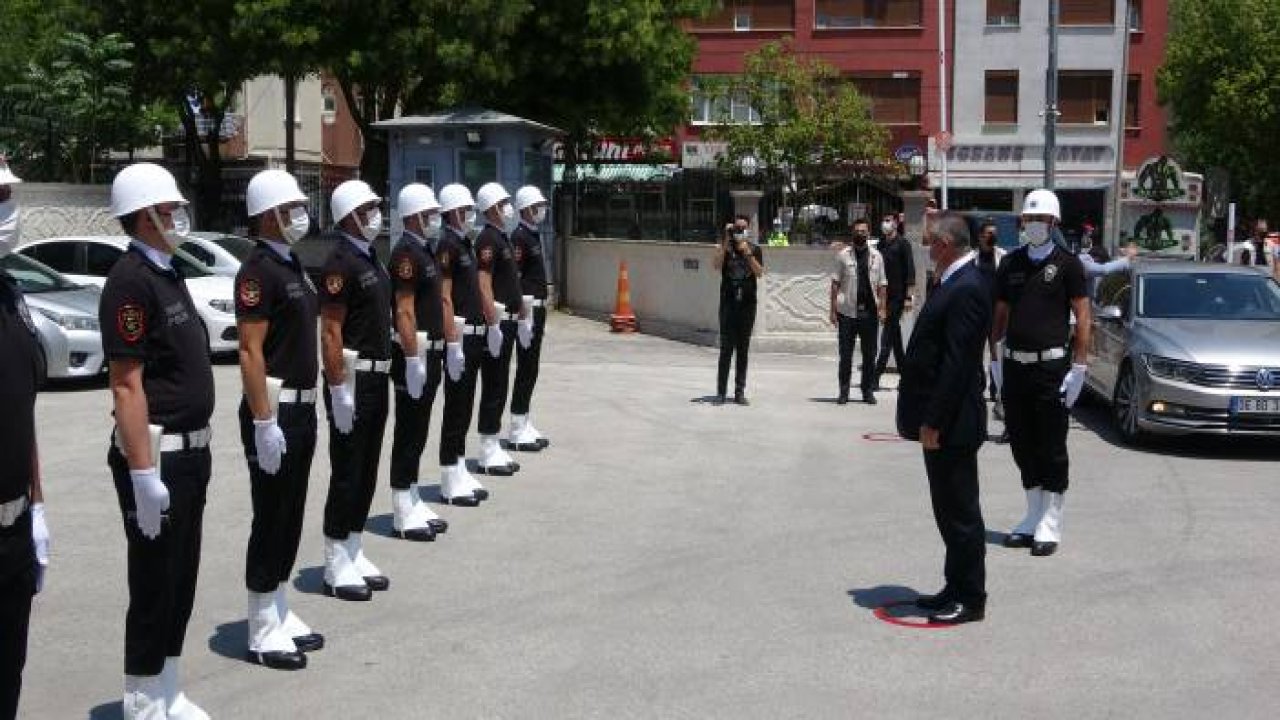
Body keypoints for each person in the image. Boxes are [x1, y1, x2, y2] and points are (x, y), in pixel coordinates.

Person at [99, 163, 214, 718]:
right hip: (158, 457)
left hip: (191, 454)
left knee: (180, 577)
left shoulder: (166, 272)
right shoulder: (129, 281)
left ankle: (168, 685)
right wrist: (143, 476)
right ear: (146, 217)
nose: (178, 217)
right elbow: (127, 384)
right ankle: (142, 700)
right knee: (152, 581)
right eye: (170, 210)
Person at [234, 169, 324, 670]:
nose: (299, 214)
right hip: (276, 408)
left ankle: (279, 606)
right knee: (270, 515)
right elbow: (250, 351)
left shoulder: (291, 265)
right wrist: (263, 421)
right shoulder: (257, 271)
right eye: (291, 207)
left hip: (302, 407)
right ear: (269, 214)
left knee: (290, 513)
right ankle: (260, 623)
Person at [897, 211, 992, 626]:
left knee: (961, 514)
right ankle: (954, 585)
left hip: (952, 423)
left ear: (947, 244)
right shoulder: (950, 281)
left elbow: (958, 364)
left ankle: (971, 598)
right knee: (946, 511)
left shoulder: (967, 287)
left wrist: (933, 421)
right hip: (941, 421)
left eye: (930, 239)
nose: (926, 246)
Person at [990, 189, 1090, 558]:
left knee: (1051, 445)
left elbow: (1083, 317)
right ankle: (1031, 515)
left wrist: (1079, 366)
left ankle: (1051, 519)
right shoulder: (1011, 264)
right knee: (1021, 443)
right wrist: (994, 362)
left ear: (1053, 223)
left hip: (1051, 368)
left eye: (1041, 220)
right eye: (1029, 219)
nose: (1034, 225)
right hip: (1015, 365)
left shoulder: (1068, 265)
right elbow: (998, 317)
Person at [318, 180, 391, 601]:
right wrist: (338, 388)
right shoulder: (339, 263)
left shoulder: (369, 257)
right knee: (347, 469)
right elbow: (330, 331)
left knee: (366, 467)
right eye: (369, 209)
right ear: (349, 214)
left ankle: (353, 545)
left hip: (377, 376)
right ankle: (333, 559)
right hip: (354, 377)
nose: (376, 215)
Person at [0, 158, 49, 720]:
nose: (10, 211)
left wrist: (37, 506)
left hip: (13, 529)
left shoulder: (10, 295)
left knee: (8, 672)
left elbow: (22, 409)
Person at [386, 183, 451, 541]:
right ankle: (400, 506)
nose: (435, 220)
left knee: (421, 427)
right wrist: (412, 358)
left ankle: (411, 495)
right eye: (429, 215)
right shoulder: (406, 255)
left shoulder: (423, 250)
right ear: (413, 216)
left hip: (432, 351)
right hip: (416, 353)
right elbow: (405, 312)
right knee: (408, 430)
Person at [435, 184, 491, 506]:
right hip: (459, 336)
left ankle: (457, 465)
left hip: (474, 333)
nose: (472, 214)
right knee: (455, 407)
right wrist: (451, 341)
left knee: (466, 403)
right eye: (467, 208)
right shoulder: (448, 246)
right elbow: (444, 296)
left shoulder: (464, 243)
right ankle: (447, 474)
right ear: (454, 212)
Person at [472, 182, 523, 475]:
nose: (508, 207)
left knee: (501, 382)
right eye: (504, 202)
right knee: (493, 384)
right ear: (491, 207)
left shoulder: (500, 237)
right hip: (498, 323)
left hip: (508, 322)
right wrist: (493, 323)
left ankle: (493, 440)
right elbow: (483, 283)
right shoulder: (488, 240)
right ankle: (487, 448)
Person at [507, 186, 552, 451]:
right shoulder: (520, 237)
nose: (542, 210)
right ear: (526, 208)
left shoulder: (533, 235)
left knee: (531, 367)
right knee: (525, 368)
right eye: (538, 206)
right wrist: (523, 316)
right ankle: (516, 426)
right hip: (528, 308)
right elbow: (517, 279)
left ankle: (524, 419)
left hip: (539, 307)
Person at [829, 217, 887, 405]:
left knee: (870, 355)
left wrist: (882, 308)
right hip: (847, 312)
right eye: (857, 231)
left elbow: (882, 284)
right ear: (852, 233)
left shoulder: (877, 256)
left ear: (869, 233)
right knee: (845, 355)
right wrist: (832, 310)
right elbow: (835, 283)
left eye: (863, 231)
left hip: (869, 313)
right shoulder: (843, 255)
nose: (860, 234)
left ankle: (867, 391)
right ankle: (843, 391)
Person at [712, 215, 764, 405]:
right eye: (736, 229)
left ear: (749, 229)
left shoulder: (755, 249)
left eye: (743, 228)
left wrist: (747, 253)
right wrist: (725, 241)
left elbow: (759, 273)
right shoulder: (726, 249)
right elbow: (716, 266)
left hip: (747, 305)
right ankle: (720, 392)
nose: (740, 232)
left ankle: (739, 391)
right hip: (728, 304)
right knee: (726, 350)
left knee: (743, 350)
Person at [873, 213, 916, 390]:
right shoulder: (880, 244)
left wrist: (908, 297)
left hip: (898, 297)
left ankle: (875, 377)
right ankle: (906, 377)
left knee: (886, 338)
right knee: (895, 340)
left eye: (889, 220)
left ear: (896, 224)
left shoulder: (903, 243)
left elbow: (910, 271)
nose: (885, 223)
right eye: (884, 220)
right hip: (884, 296)